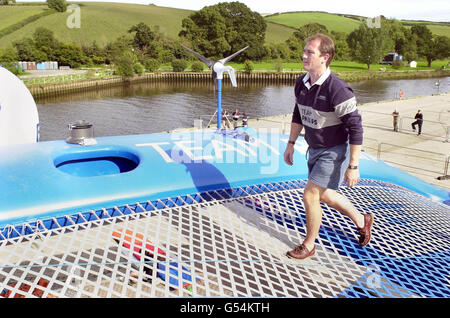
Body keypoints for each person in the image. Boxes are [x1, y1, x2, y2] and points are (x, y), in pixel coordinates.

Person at [283, 33, 374, 260]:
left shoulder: (338, 89)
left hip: (334, 150)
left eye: (309, 52)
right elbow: (298, 113)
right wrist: (291, 143)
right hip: (313, 148)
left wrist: (353, 165)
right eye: (304, 51)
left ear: (325, 57)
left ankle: (309, 245)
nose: (304, 55)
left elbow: (356, 128)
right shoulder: (301, 83)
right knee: (325, 195)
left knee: (311, 194)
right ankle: (363, 220)